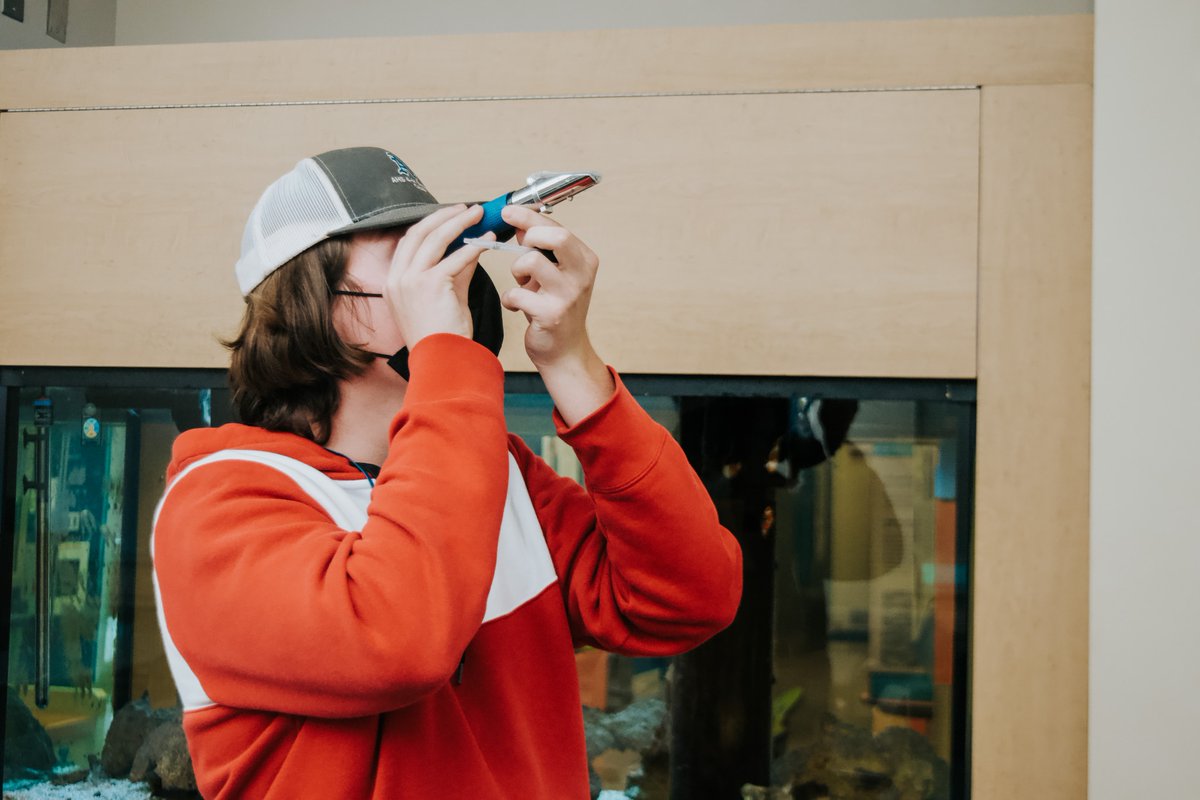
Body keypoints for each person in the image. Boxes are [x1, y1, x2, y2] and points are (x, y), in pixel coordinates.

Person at [150, 146, 743, 798]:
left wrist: (573, 361)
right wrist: (446, 361)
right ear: (320, 303)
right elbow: (397, 641)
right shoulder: (216, 502)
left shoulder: (496, 473)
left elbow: (690, 597)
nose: (450, 278)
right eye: (411, 258)